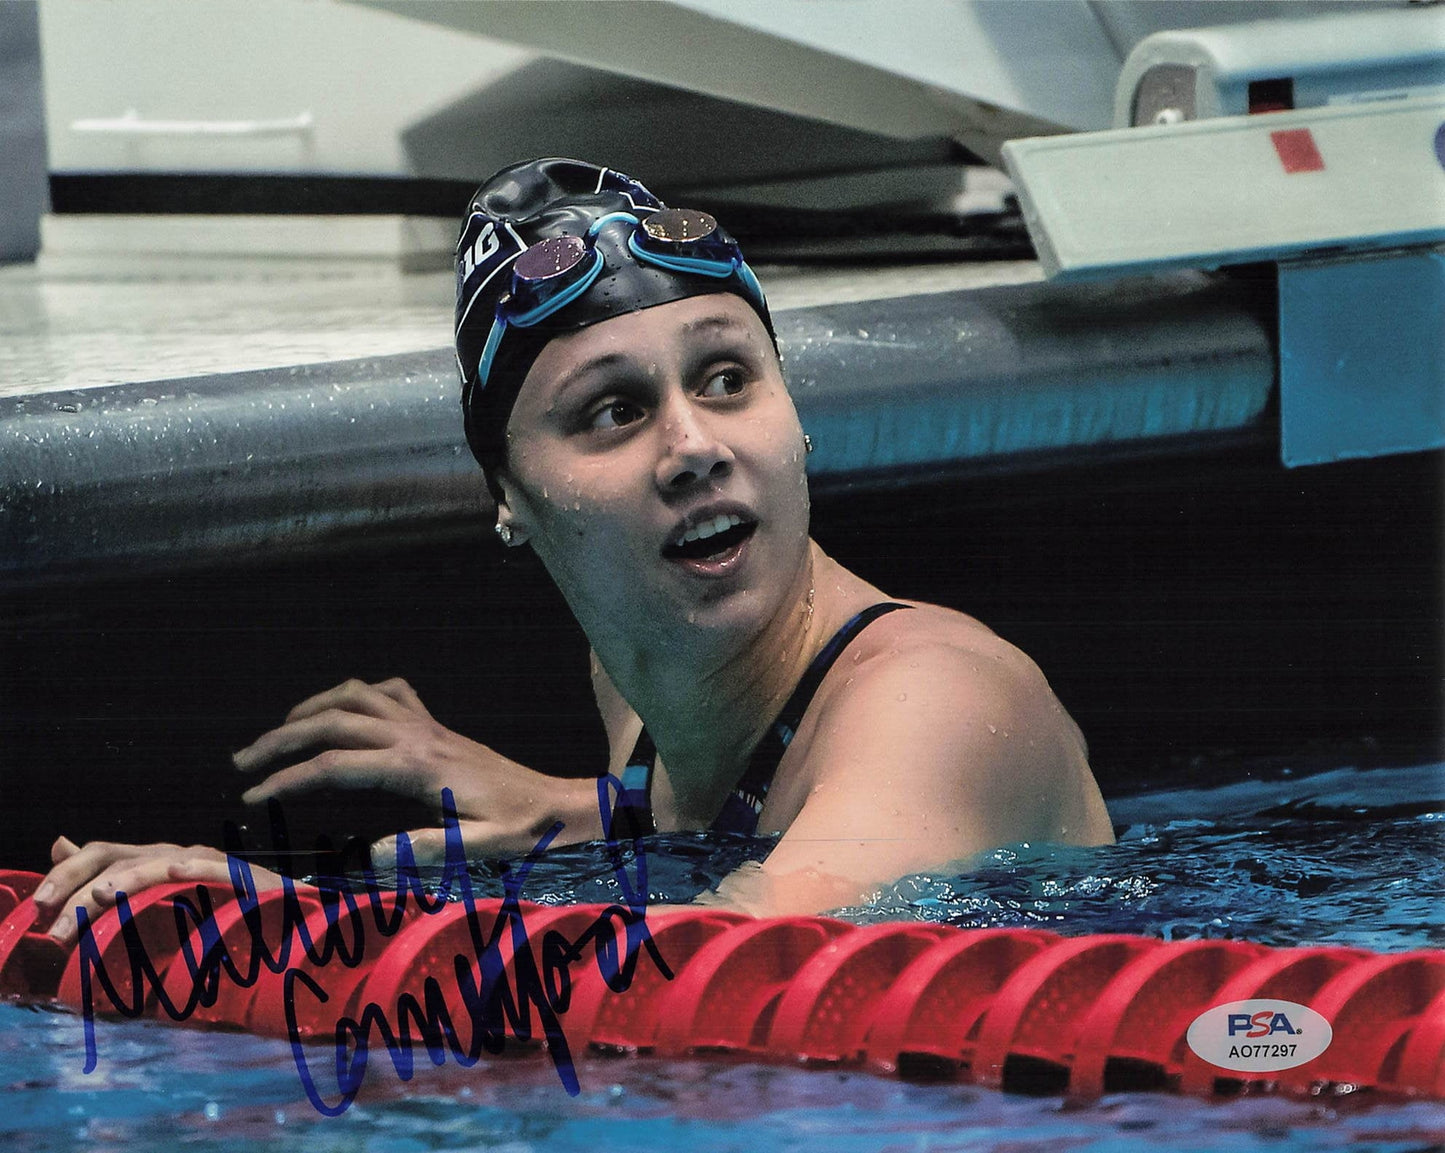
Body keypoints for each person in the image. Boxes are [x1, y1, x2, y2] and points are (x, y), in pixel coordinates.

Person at [34, 158, 1112, 940]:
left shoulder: (933, 700)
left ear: (795, 414)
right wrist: (575, 806)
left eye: (727, 378)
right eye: (611, 411)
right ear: (509, 495)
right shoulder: (635, 684)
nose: (693, 446)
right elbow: (717, 834)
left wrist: (303, 917)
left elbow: (719, 964)